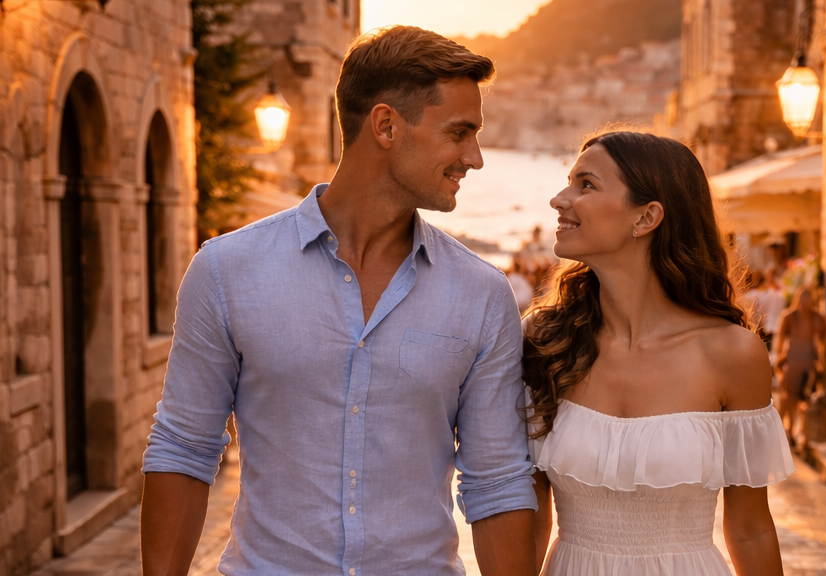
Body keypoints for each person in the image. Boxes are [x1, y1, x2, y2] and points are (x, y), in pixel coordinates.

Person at [140, 26, 537, 576]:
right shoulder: (226, 270)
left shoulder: (483, 295)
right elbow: (184, 449)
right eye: (460, 133)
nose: (475, 157)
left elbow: (497, 481)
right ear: (385, 125)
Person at [523, 131, 795, 576]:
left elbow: (750, 529)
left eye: (585, 185)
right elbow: (531, 516)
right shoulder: (543, 340)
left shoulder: (733, 354)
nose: (559, 199)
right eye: (568, 182)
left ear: (647, 217)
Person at [774, 287, 826, 451]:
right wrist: (779, 361)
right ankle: (788, 432)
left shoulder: (816, 318)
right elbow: (781, 339)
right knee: (789, 398)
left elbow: (822, 337)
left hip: (808, 361)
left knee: (805, 399)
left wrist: (821, 361)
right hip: (793, 360)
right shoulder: (789, 317)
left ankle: (802, 434)